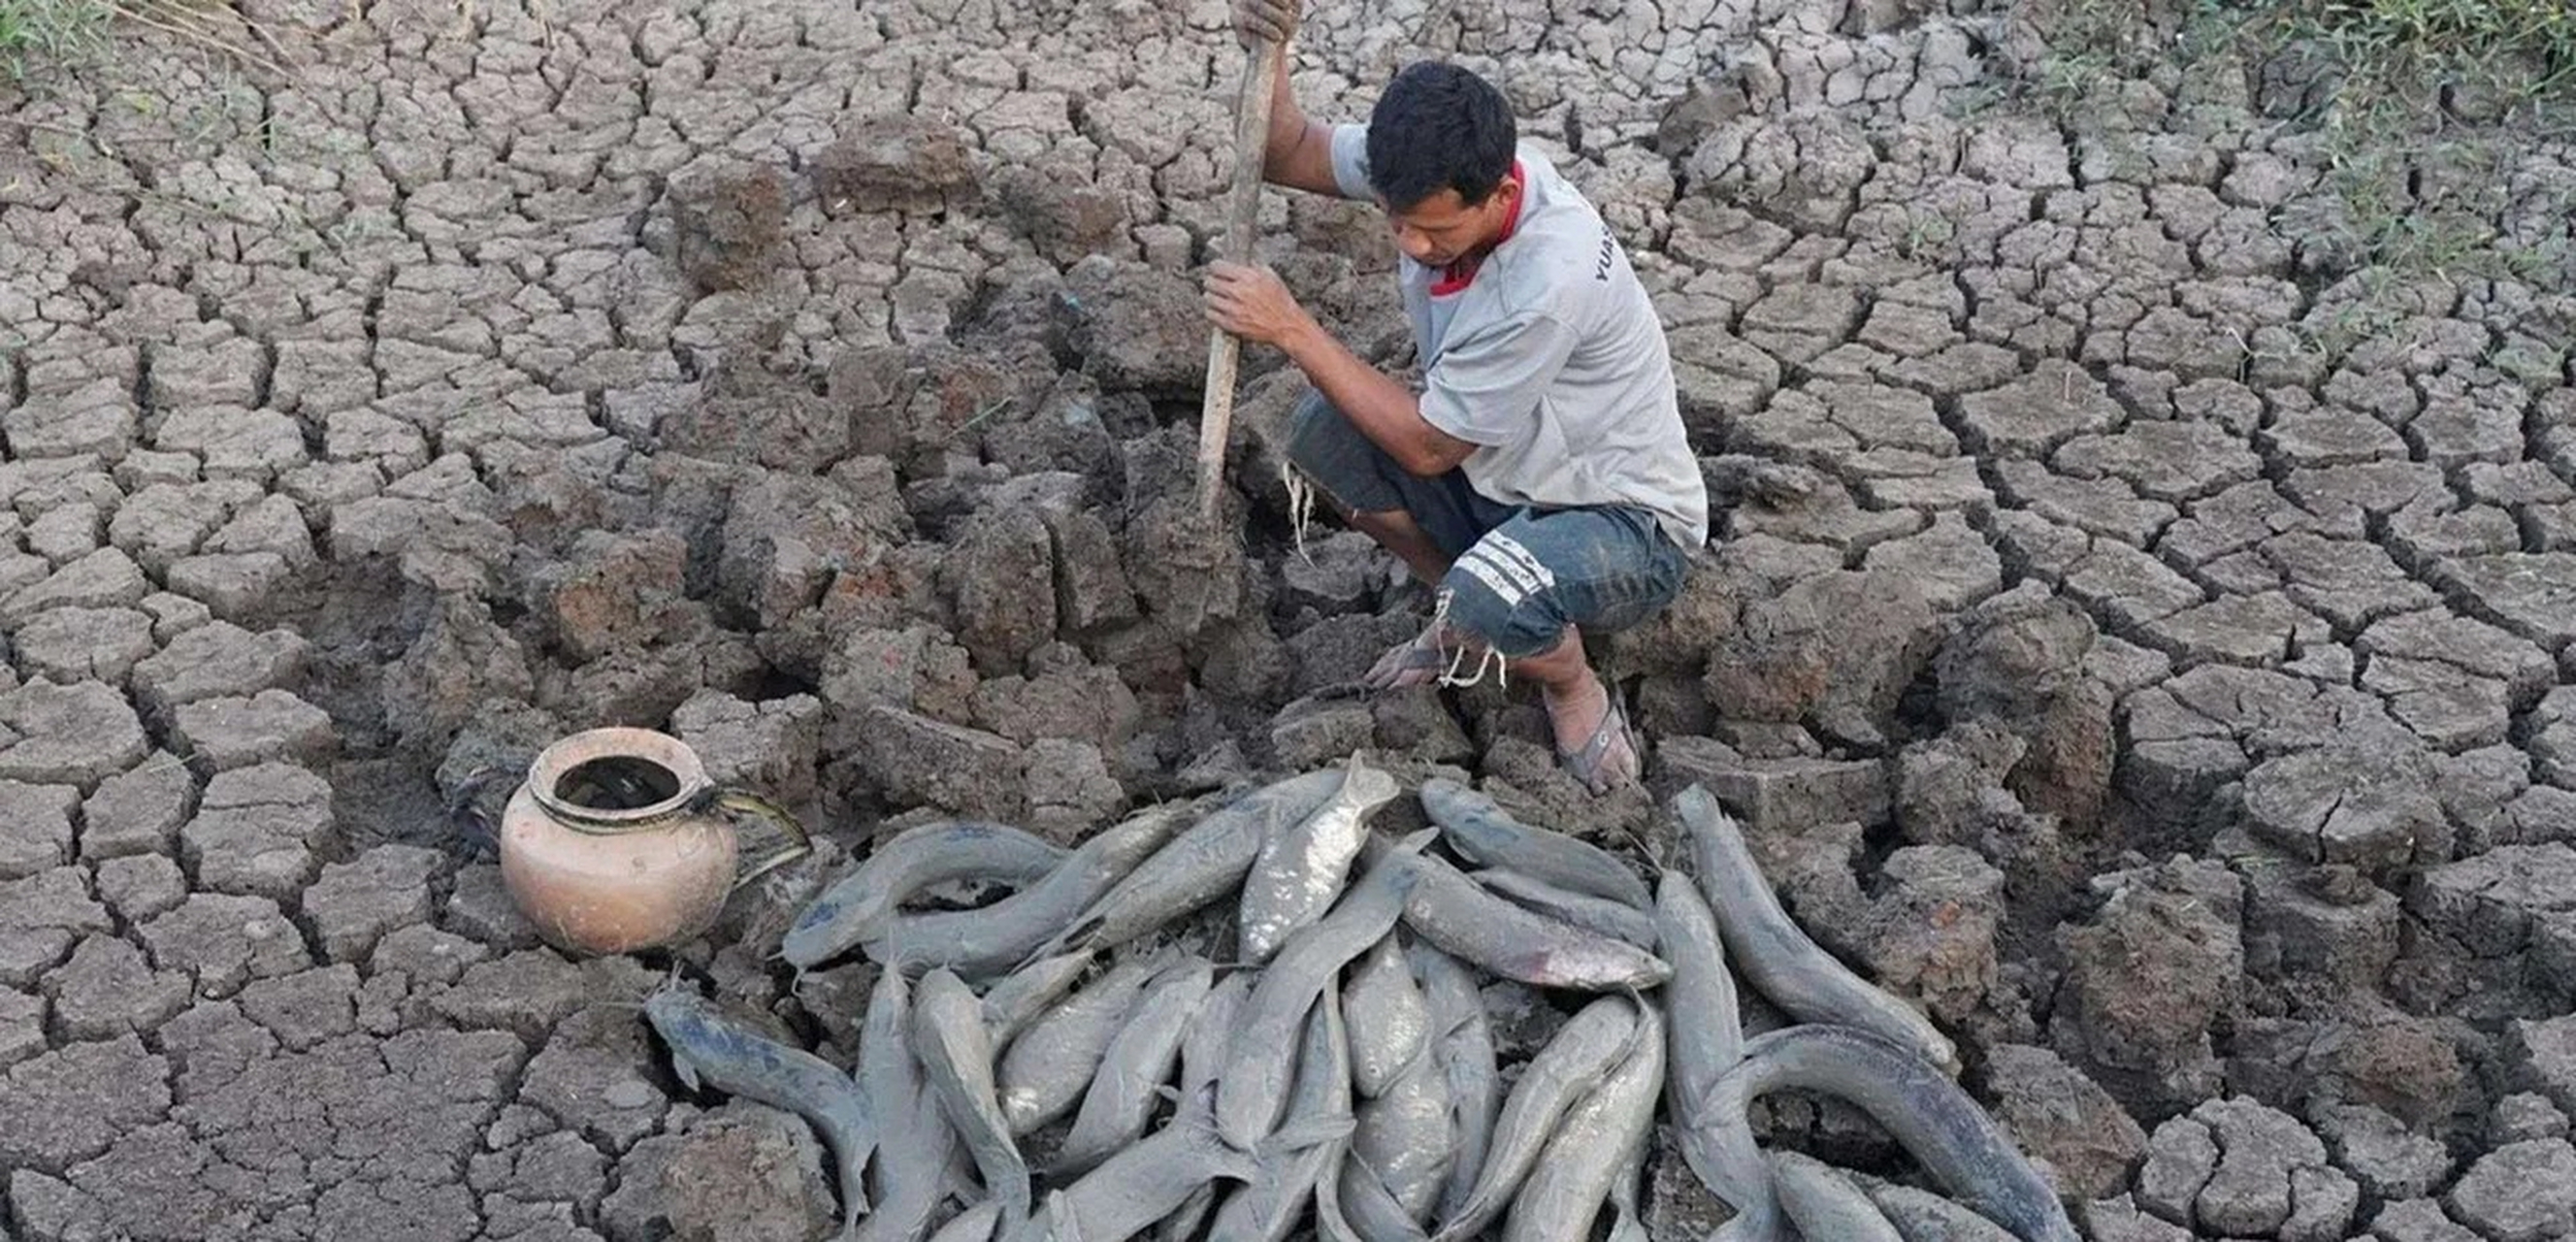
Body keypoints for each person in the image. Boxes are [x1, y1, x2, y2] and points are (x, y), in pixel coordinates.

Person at [1200, 0, 1710, 795]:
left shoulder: (1543, 282)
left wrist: (1293, 329)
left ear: (1500, 193)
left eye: (1435, 233)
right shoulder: (1424, 164)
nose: (1411, 246)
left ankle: (1567, 680)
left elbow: (1431, 448)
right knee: (1322, 432)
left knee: (1488, 595)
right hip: (1507, 483)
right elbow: (1288, 150)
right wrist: (1274, 51)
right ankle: (1464, 614)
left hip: (1622, 524)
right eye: (1398, 223)